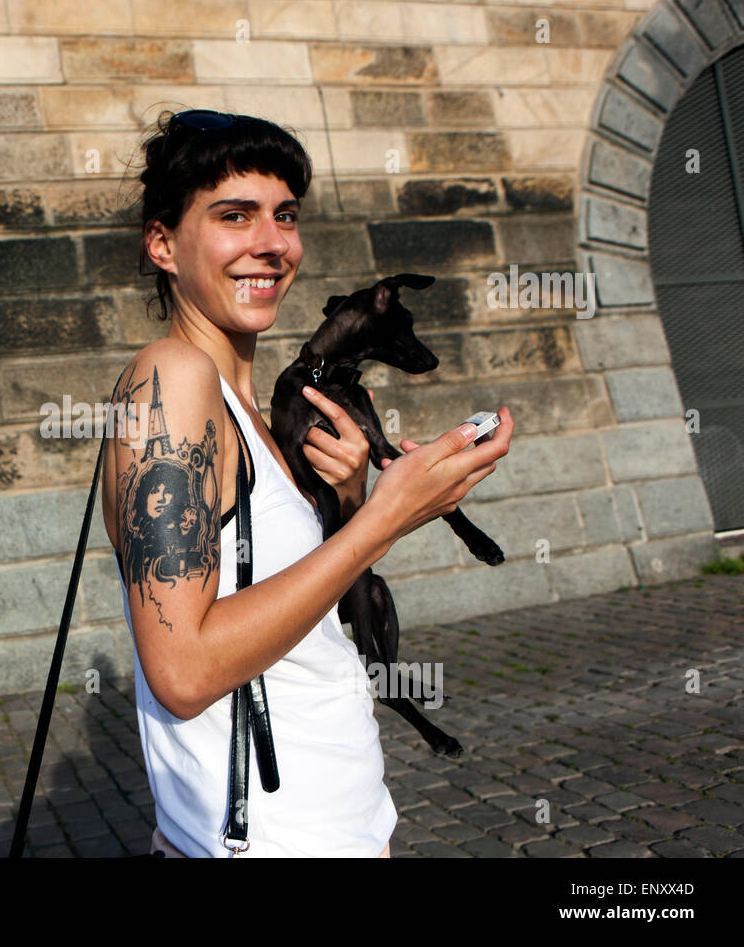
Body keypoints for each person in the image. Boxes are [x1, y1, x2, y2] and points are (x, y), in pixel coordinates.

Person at [99, 109, 514, 857]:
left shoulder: (251, 414)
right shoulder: (170, 380)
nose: (271, 243)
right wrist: (382, 521)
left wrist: (355, 499)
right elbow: (185, 671)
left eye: (284, 215)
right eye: (234, 216)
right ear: (163, 243)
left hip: (342, 824)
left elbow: (296, 610)